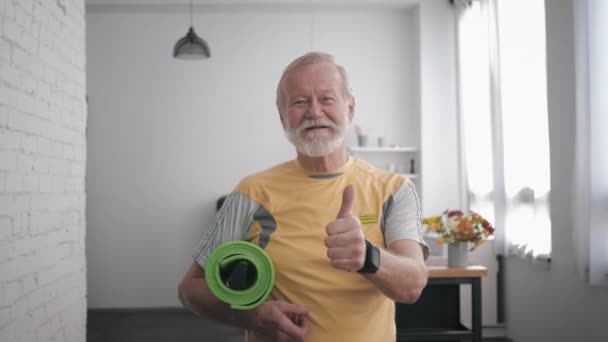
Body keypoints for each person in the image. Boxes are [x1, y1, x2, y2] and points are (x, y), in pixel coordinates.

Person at [178, 52, 429, 342]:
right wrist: (251, 315)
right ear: (283, 117)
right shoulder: (251, 191)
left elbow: (413, 286)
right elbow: (190, 289)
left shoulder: (394, 189)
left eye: (327, 99)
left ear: (350, 109)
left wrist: (367, 256)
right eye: (299, 102)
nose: (314, 112)